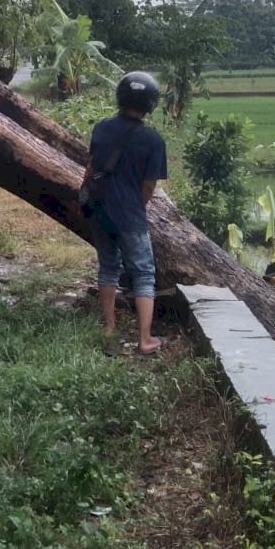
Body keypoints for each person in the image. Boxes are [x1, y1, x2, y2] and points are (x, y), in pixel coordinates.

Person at [80, 71, 167, 355]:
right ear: (150, 103)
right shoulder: (153, 141)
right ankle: (145, 339)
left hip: (100, 210)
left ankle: (109, 327)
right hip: (130, 214)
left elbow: (90, 167)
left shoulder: (102, 128)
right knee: (143, 273)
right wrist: (135, 208)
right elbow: (149, 185)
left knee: (108, 267)